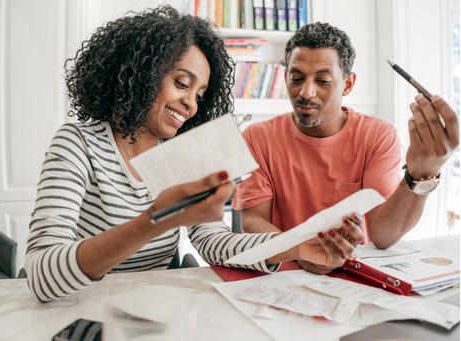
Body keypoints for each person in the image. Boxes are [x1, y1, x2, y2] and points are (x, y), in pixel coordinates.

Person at [25, 7, 363, 302]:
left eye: (200, 94)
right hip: (77, 309)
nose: (191, 104)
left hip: (145, 312)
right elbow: (41, 272)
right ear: (140, 74)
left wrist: (296, 246)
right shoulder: (78, 144)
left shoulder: (182, 157)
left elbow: (214, 242)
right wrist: (156, 220)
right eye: (182, 84)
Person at [235, 22, 460, 275]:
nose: (306, 92)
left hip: (353, 274)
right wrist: (299, 250)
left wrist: (420, 174)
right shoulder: (257, 136)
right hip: (283, 273)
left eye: (323, 80)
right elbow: (252, 220)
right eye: (296, 78)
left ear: (348, 84)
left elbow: (383, 236)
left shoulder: (376, 135)